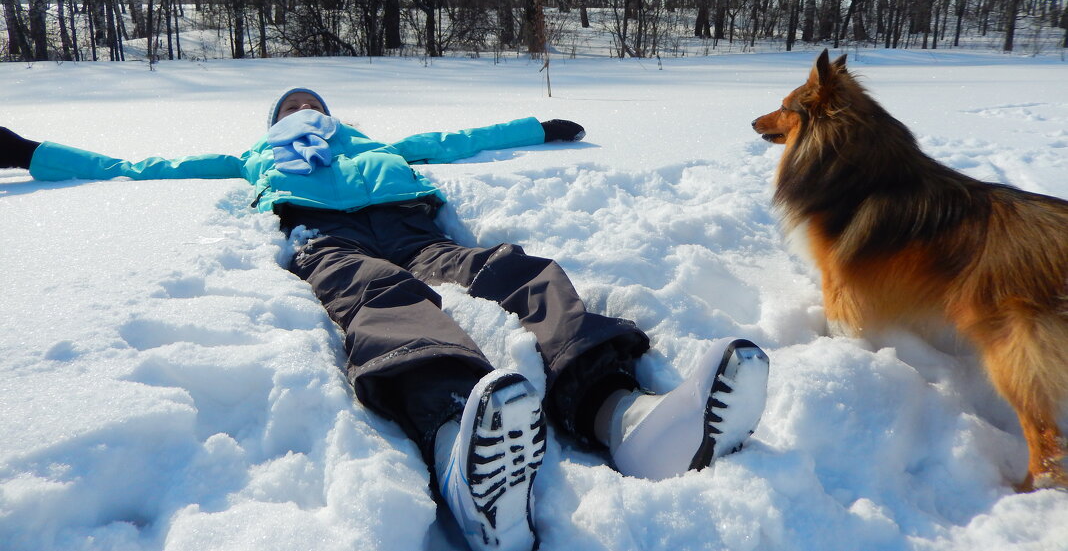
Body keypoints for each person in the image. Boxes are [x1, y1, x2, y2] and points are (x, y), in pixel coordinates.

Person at [0, 89, 770, 551]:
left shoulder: (373, 144)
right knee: (384, 304)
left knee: (512, 271)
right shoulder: (254, 154)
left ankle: (622, 415)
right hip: (325, 235)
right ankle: (457, 453)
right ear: (276, 120)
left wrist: (536, 127)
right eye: (293, 106)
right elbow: (140, 169)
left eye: (314, 104)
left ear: (333, 113)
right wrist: (30, 151)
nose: (305, 109)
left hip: (410, 224)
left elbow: (453, 141)